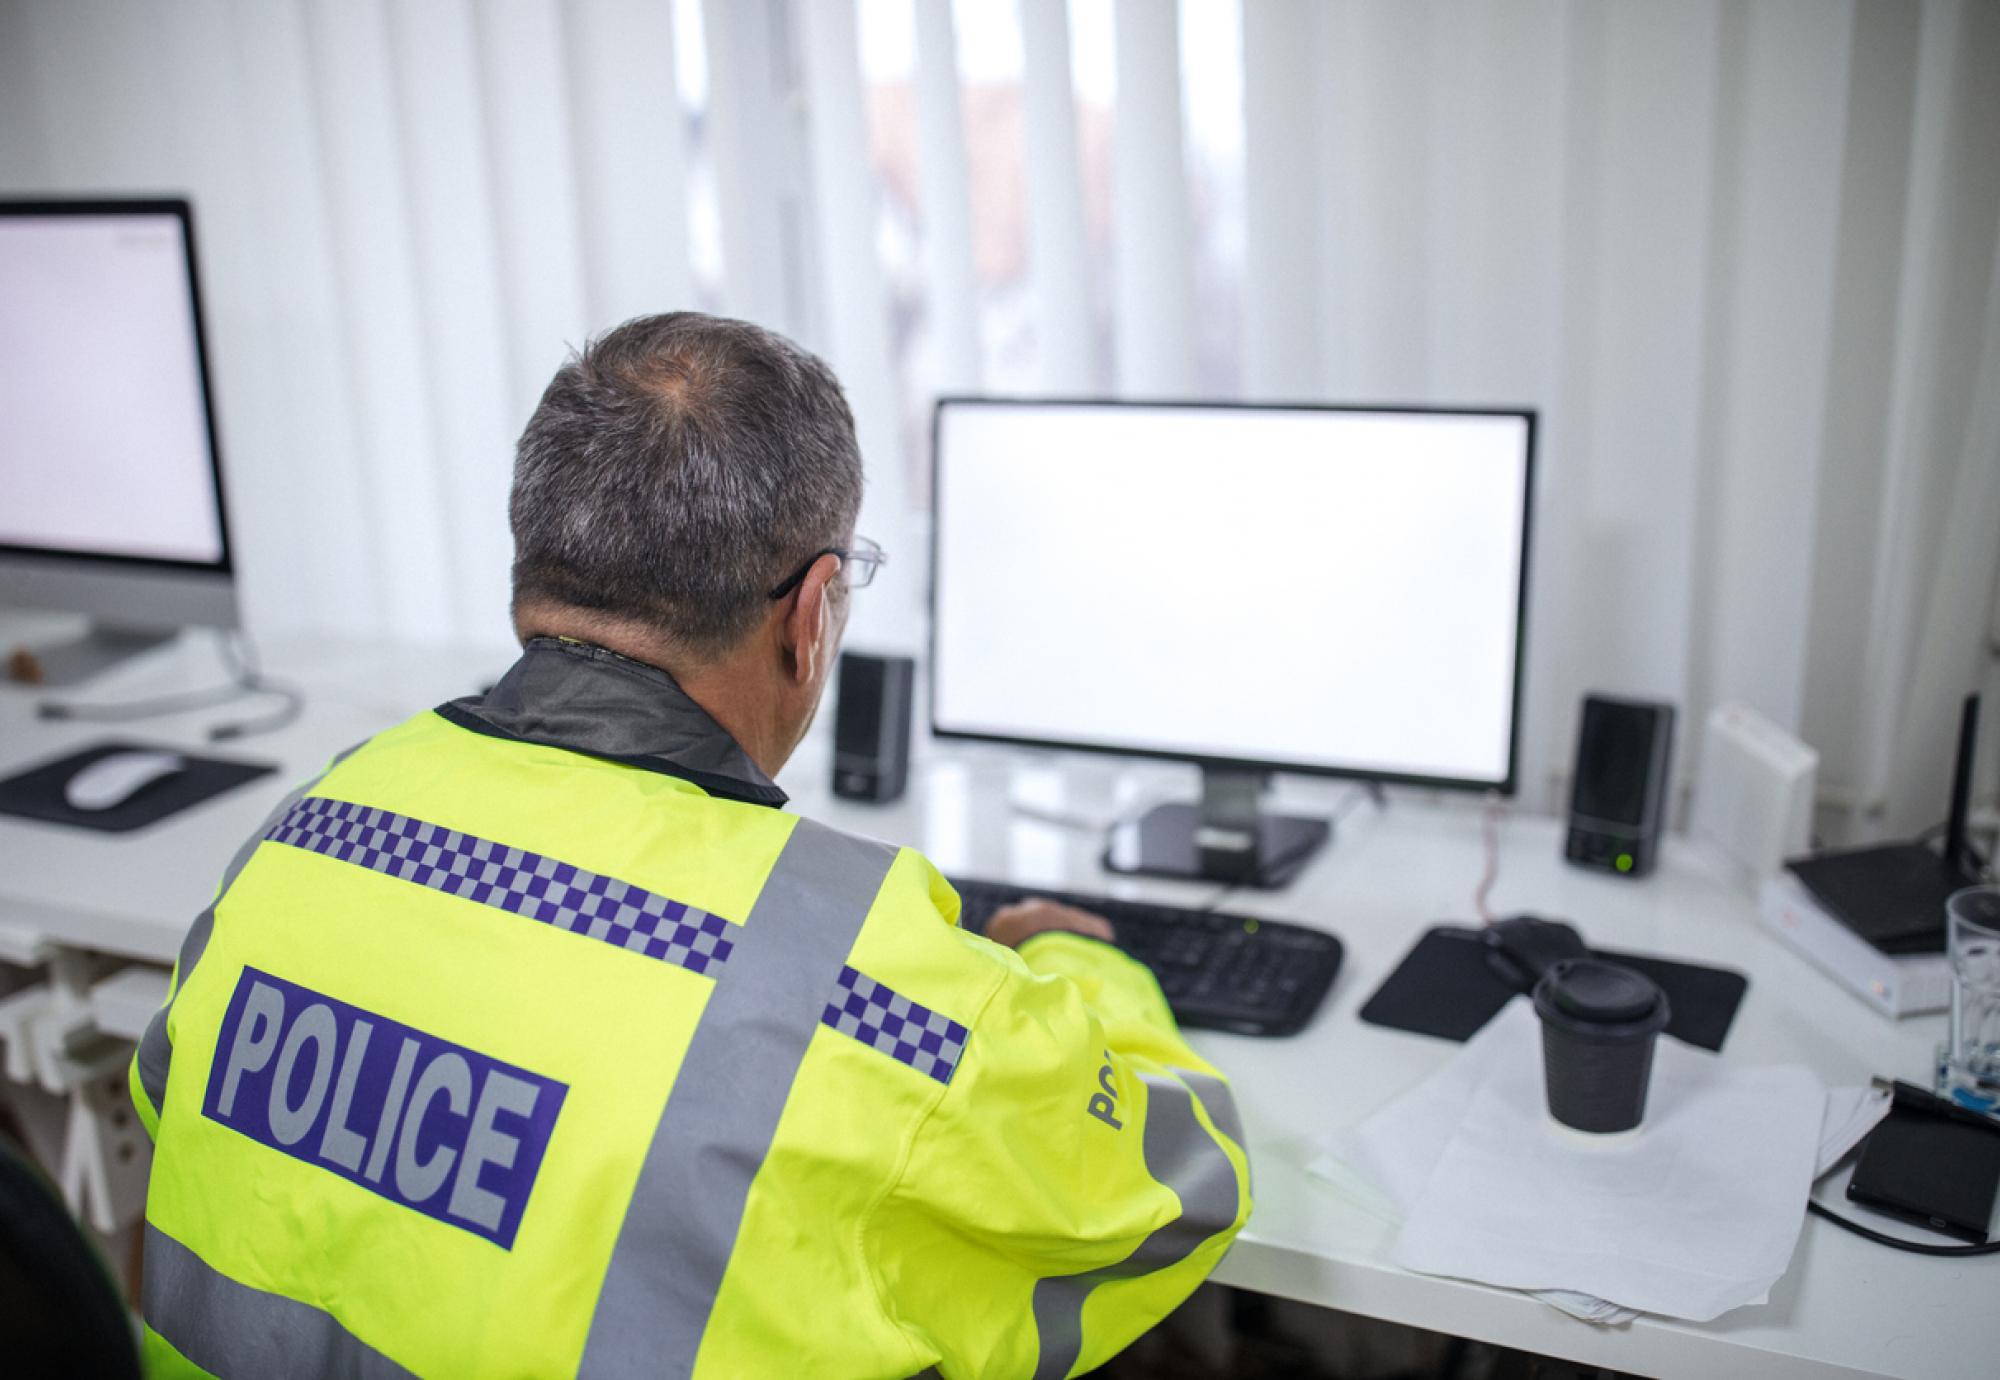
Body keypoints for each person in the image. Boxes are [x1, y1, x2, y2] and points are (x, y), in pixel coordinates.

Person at [129, 312, 1250, 1378]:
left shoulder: (313, 829)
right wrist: (1073, 962)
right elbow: (1175, 1185)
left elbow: (171, 1100)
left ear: (536, 565)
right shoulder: (858, 984)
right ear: (811, 617)